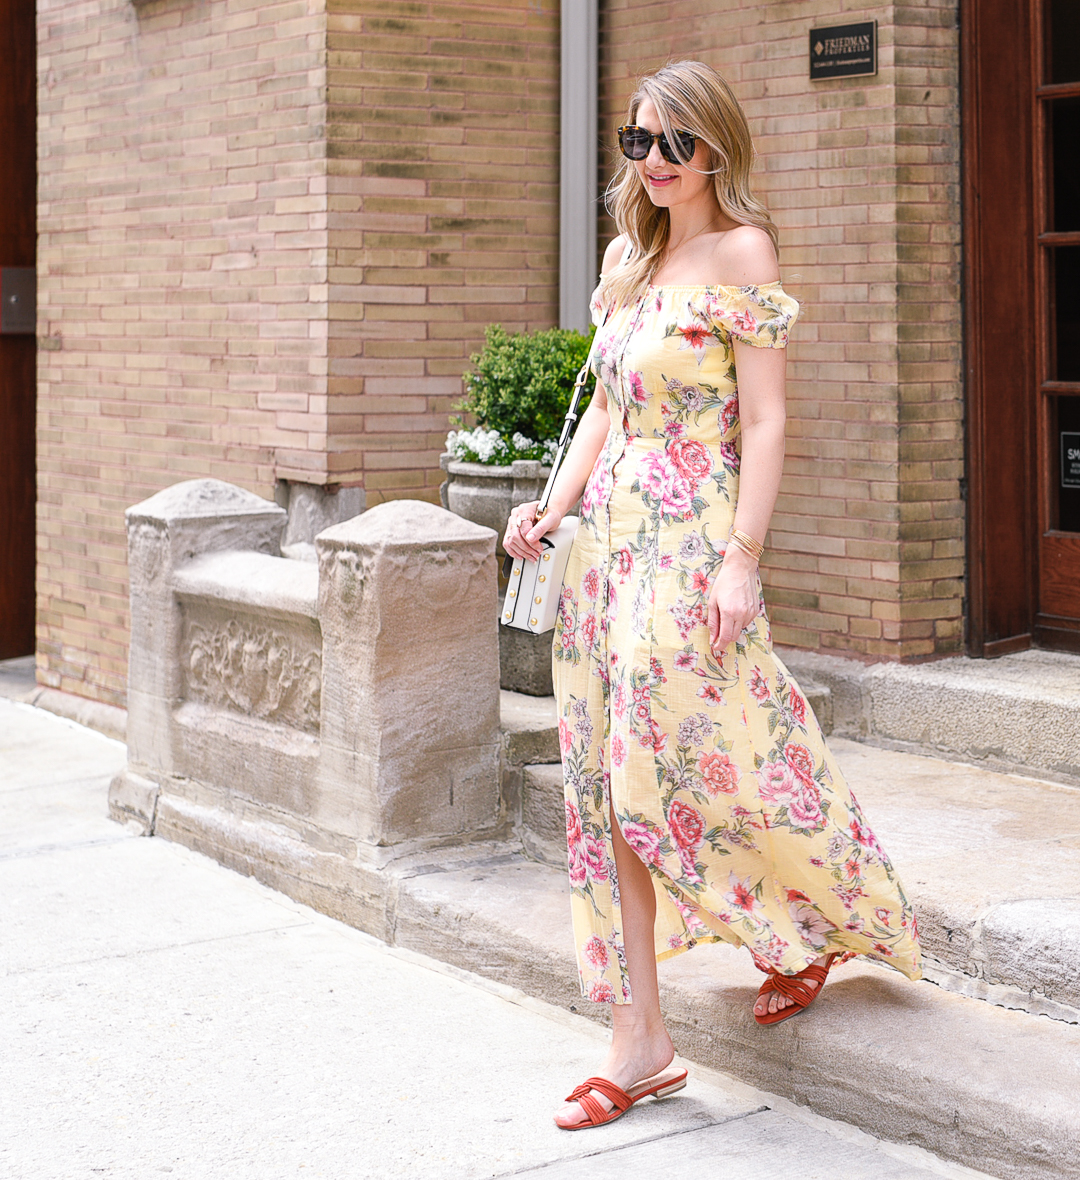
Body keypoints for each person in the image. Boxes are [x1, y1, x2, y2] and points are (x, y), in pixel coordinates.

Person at [502, 60, 921, 1132]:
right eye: (640, 141)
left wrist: (743, 557)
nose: (654, 163)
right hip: (612, 552)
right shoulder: (625, 261)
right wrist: (551, 509)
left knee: (706, 754)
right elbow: (601, 410)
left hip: (693, 548)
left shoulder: (743, 253)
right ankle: (642, 1034)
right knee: (613, 778)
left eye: (675, 144)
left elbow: (769, 422)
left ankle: (808, 921)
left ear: (717, 150)